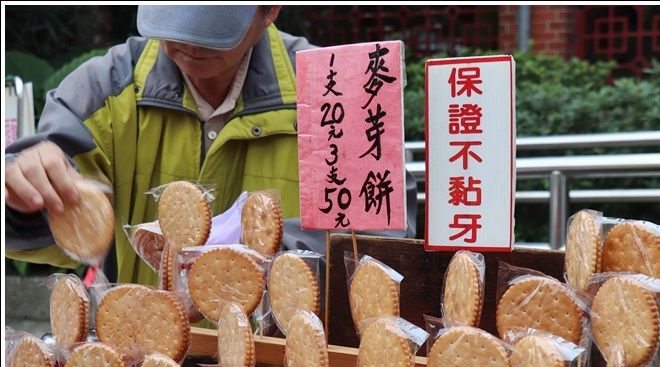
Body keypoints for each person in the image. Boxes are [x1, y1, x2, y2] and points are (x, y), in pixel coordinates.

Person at [4, 5, 417, 288]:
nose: (189, 45)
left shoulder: (340, 93)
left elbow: (385, 248)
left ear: (269, 9)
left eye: (212, 29)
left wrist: (259, 258)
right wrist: (23, 194)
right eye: (174, 24)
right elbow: (50, 230)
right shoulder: (101, 93)